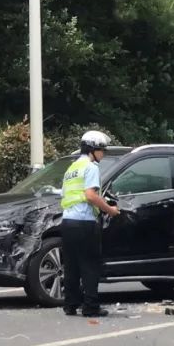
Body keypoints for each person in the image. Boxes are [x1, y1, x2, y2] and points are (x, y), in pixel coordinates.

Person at [60, 131, 120, 318]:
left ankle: (70, 304)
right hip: (85, 223)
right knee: (90, 265)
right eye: (102, 150)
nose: (103, 153)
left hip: (67, 222)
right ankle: (90, 307)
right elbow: (90, 195)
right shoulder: (91, 167)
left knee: (71, 266)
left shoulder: (71, 169)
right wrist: (110, 210)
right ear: (93, 149)